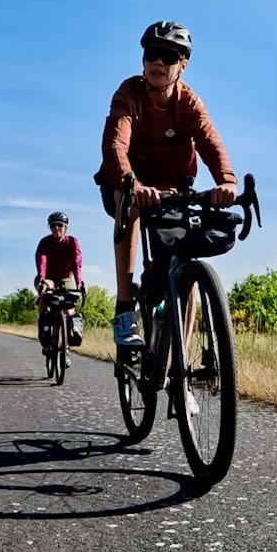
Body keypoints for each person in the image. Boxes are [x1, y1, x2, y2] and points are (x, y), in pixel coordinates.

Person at [93, 20, 238, 347]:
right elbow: (116, 143)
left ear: (182, 65)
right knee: (125, 200)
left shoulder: (189, 103)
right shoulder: (128, 92)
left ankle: (180, 375)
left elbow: (210, 142)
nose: (158, 62)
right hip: (129, 184)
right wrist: (133, 182)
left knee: (183, 269)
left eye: (169, 57)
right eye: (152, 54)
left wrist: (226, 181)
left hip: (174, 190)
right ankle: (125, 307)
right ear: (143, 59)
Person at [34, 211, 83, 360]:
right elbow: (42, 262)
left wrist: (79, 283)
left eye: (60, 225)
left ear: (66, 227)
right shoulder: (45, 242)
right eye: (53, 226)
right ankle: (45, 330)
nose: (56, 228)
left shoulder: (72, 242)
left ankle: (66, 346)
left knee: (69, 304)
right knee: (45, 292)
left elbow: (77, 263)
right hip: (48, 277)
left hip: (65, 278)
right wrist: (42, 280)